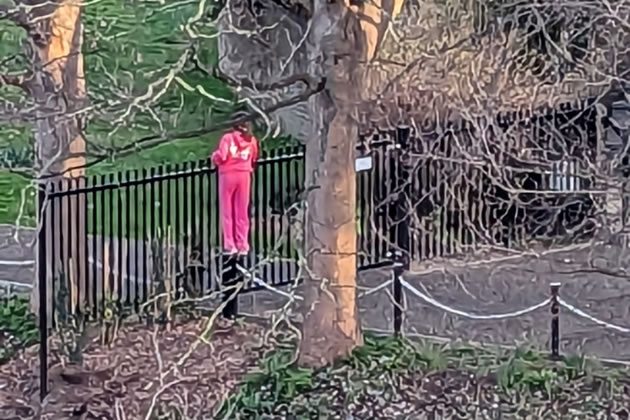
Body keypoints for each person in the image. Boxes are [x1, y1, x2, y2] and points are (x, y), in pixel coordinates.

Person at [212, 119, 258, 257]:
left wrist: (214, 157)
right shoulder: (251, 140)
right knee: (242, 212)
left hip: (228, 175)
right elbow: (254, 157)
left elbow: (222, 156)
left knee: (227, 211)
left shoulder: (227, 138)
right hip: (244, 175)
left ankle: (230, 244)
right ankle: (243, 244)